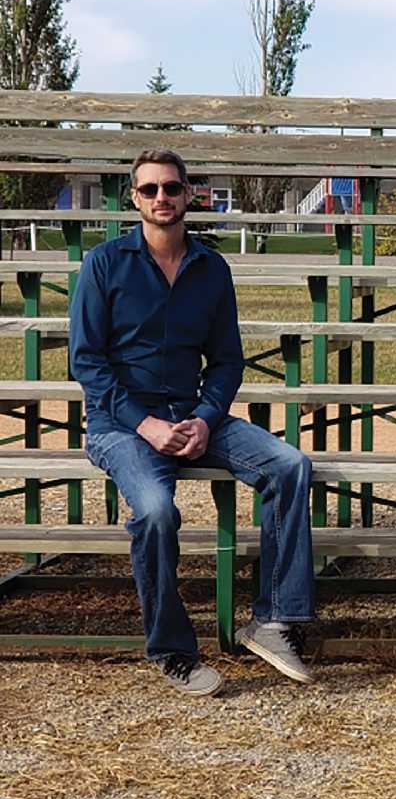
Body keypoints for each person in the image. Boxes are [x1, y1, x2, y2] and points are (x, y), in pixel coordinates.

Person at [70, 149, 315, 697]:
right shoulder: (105, 263)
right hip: (119, 423)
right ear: (134, 197)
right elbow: (86, 361)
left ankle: (273, 620)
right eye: (151, 189)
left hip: (194, 413)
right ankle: (174, 650)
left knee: (291, 465)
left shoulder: (211, 268)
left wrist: (205, 419)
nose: (163, 198)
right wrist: (147, 425)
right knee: (157, 511)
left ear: (188, 195)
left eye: (172, 189)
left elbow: (227, 361)